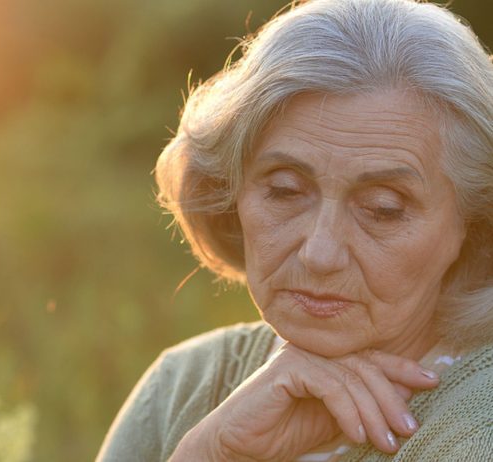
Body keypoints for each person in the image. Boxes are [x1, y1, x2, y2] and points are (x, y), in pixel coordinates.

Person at [97, 0, 493, 460]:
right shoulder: (182, 383)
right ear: (232, 191)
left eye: (384, 209)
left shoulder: (478, 425)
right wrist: (210, 451)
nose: (319, 254)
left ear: (476, 225)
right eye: (285, 191)